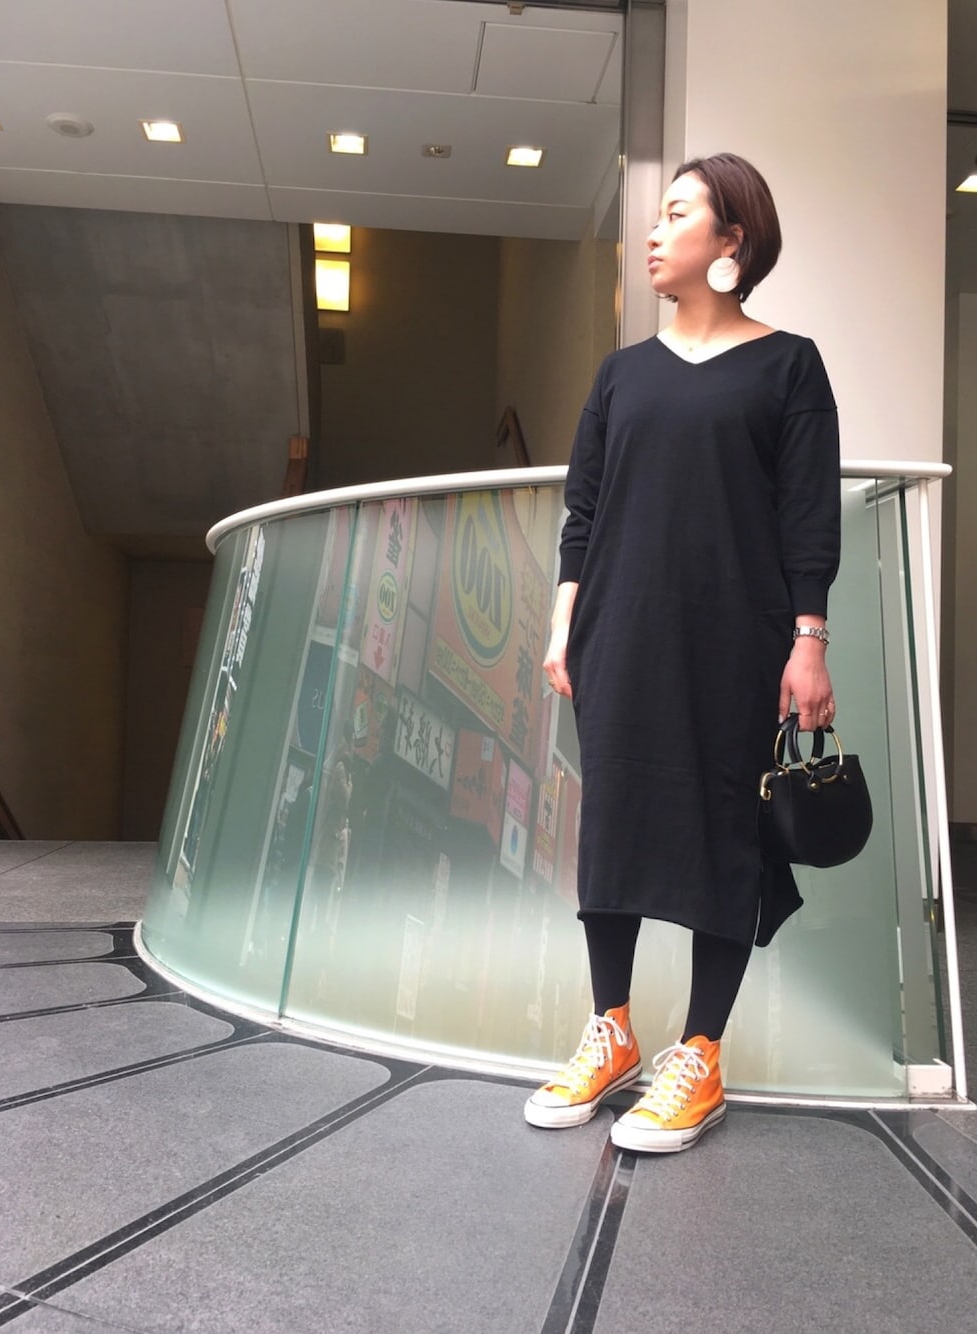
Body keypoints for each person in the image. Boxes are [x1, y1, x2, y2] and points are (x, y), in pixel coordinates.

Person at [524, 153, 840, 1154]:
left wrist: (808, 641)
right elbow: (582, 513)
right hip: (619, 633)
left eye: (675, 215)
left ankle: (699, 1054)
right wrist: (563, 624)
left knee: (722, 830)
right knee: (613, 826)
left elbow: (807, 519)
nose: (653, 234)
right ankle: (611, 1030)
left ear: (731, 239)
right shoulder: (621, 374)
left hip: (738, 640)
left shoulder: (789, 366)